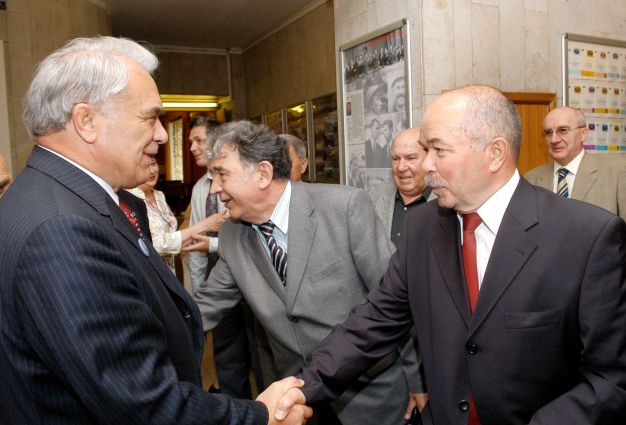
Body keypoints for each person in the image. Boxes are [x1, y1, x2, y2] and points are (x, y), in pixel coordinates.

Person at [0, 35, 311, 425]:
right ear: (86, 121)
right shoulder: (62, 229)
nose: (163, 135)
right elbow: (140, 401)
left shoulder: (61, 199)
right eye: (150, 117)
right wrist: (261, 417)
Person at [274, 85, 626, 425]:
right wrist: (302, 388)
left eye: (438, 150)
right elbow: (375, 321)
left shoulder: (587, 236)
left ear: (495, 153)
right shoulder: (423, 227)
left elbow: (611, 377)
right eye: (426, 150)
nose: (426, 165)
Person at [193, 120, 424, 425]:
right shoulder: (233, 235)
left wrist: (417, 381)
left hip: (369, 392)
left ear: (263, 174)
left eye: (222, 174)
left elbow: (395, 301)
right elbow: (205, 307)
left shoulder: (344, 207)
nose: (215, 189)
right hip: (298, 399)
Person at [183, 116, 262, 399]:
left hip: (253, 275)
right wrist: (199, 291)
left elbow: (253, 237)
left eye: (199, 140)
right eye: (191, 141)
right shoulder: (200, 188)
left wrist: (213, 245)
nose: (192, 147)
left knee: (261, 352)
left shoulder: (246, 183)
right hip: (219, 277)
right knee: (228, 357)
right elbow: (197, 244)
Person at [525, 106, 626, 220]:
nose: (554, 140)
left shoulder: (617, 170)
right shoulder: (531, 179)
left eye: (563, 130)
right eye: (548, 132)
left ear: (583, 134)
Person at [127, 158, 225, 272]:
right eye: (145, 166)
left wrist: (201, 242)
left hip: (170, 269)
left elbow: (171, 234)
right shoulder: (128, 199)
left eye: (153, 164)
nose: (152, 171)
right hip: (150, 271)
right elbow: (154, 244)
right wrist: (204, 225)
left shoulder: (158, 195)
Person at [368, 128, 433, 247]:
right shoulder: (373, 197)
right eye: (396, 159)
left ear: (429, 159)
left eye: (411, 158)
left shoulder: (446, 203)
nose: (401, 167)